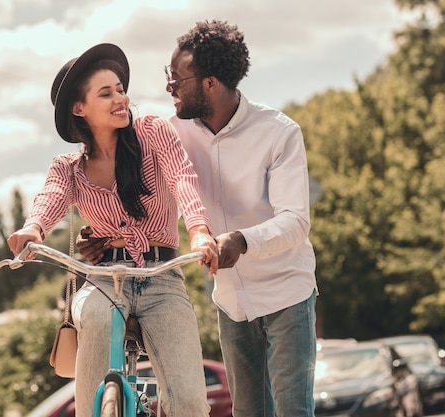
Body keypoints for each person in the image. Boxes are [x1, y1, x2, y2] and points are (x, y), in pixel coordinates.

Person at [78, 20, 318, 417]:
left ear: (209, 83)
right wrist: (103, 231)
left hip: (287, 294)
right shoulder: (168, 133)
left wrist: (237, 241)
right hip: (231, 301)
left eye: (177, 77)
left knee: (293, 411)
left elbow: (296, 221)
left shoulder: (279, 133)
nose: (169, 86)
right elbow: (125, 180)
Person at [6, 43, 217, 417]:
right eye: (106, 93)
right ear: (79, 108)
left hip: (162, 278)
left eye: (120, 89)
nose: (120, 98)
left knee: (189, 403)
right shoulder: (69, 168)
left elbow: (183, 179)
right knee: (99, 327)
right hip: (102, 280)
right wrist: (33, 229)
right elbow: (50, 198)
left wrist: (199, 231)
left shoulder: (154, 132)